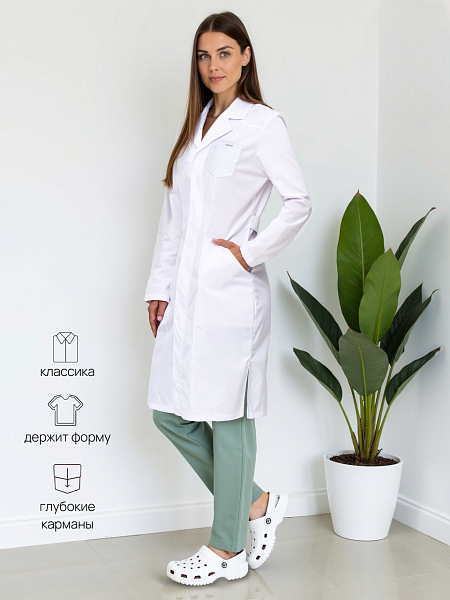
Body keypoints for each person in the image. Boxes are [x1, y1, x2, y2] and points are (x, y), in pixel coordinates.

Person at [144, 11, 312, 587]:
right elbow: (174, 219)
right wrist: (158, 288)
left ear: (245, 56)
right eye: (203, 55)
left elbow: (298, 202)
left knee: (230, 414)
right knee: (169, 411)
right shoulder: (195, 129)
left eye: (223, 53)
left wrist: (249, 253)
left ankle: (226, 549)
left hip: (232, 294)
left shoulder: (262, 124)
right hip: (186, 294)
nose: (213, 65)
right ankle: (257, 502)